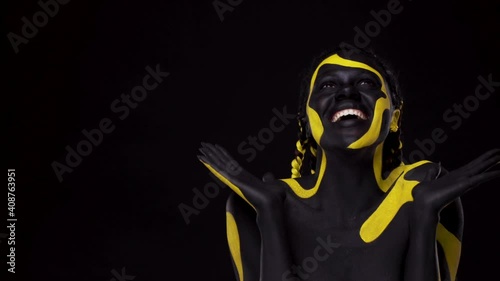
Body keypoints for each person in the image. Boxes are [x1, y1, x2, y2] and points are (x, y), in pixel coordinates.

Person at [197, 45, 500, 281]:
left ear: (393, 117)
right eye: (328, 86)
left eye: (367, 82)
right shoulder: (251, 205)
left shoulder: (425, 188)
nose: (347, 92)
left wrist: (423, 216)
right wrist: (268, 212)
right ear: (306, 121)